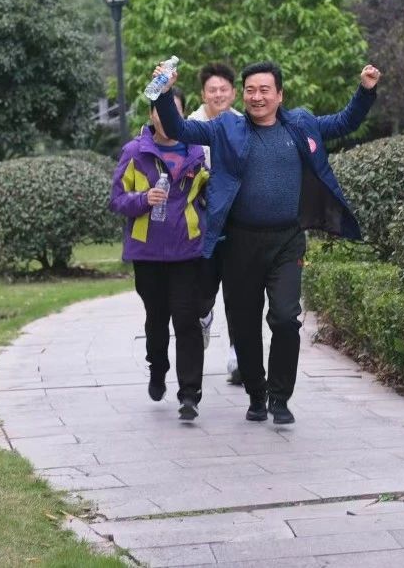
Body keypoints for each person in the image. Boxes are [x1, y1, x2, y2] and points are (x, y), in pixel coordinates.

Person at [153, 60, 381, 425]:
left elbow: (344, 122)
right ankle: (256, 394)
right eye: (250, 91)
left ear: (279, 95)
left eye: (264, 90)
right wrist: (164, 93)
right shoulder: (227, 127)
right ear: (242, 95)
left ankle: (280, 398)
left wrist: (366, 90)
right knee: (244, 327)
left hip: (287, 241)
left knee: (286, 318)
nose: (257, 97)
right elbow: (179, 128)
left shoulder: (300, 124)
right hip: (240, 243)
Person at [109, 87, 213, 422]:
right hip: (148, 253)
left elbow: (211, 196)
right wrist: (143, 199)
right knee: (156, 319)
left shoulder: (197, 153)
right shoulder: (135, 152)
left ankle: (190, 394)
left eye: (173, 111)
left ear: (181, 115)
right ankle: (158, 367)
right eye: (160, 110)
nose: (166, 117)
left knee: (186, 320)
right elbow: (116, 200)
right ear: (151, 114)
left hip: (188, 251)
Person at [188, 62, 243, 385]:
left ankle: (237, 355)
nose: (218, 94)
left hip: (237, 225)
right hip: (203, 224)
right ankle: (204, 316)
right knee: (204, 291)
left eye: (224, 89)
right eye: (213, 90)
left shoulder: (243, 125)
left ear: (233, 93)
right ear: (203, 94)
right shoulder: (190, 127)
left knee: (239, 292)